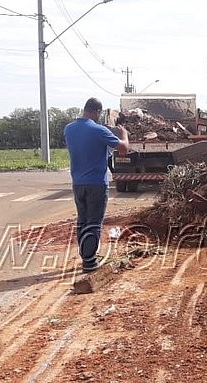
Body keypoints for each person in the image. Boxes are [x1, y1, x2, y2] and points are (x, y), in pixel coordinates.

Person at [64, 98, 129, 273]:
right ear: (98, 112)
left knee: (83, 221)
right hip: (96, 184)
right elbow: (123, 148)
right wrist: (123, 134)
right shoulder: (98, 130)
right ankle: (90, 262)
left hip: (78, 183)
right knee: (94, 223)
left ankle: (86, 256)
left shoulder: (68, 129)